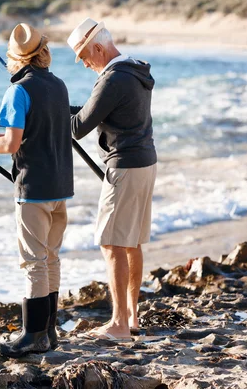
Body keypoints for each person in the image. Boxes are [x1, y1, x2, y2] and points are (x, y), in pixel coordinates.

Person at [0, 23, 74, 358]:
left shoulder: (17, 91)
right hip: (60, 186)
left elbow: (11, 143)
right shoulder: (59, 85)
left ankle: (32, 335)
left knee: (34, 262)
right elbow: (34, 133)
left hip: (33, 189)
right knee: (50, 258)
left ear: (14, 57)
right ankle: (49, 332)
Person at [67, 18, 158, 340]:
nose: (85, 64)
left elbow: (78, 128)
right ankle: (131, 317)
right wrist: (56, 107)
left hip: (126, 166)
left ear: (98, 47)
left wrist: (44, 118)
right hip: (145, 162)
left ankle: (118, 325)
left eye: (84, 57)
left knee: (112, 244)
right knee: (130, 242)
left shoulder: (112, 79)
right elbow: (96, 109)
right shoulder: (133, 71)